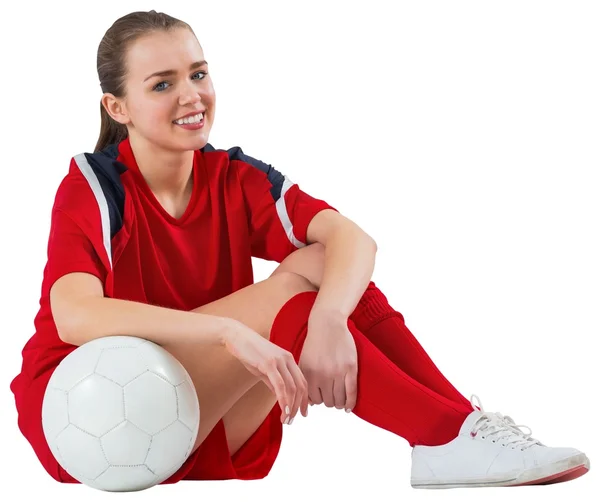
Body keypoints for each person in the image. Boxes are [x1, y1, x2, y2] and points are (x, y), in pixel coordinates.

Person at [10, 10, 589, 489]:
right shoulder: (94, 184)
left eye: (199, 73)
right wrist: (230, 333)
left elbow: (351, 239)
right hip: (83, 414)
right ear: (118, 108)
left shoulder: (232, 175)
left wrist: (331, 319)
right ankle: (441, 435)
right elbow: (76, 314)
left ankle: (460, 429)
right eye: (162, 84)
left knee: (321, 267)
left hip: (189, 409)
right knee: (293, 295)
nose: (191, 96)